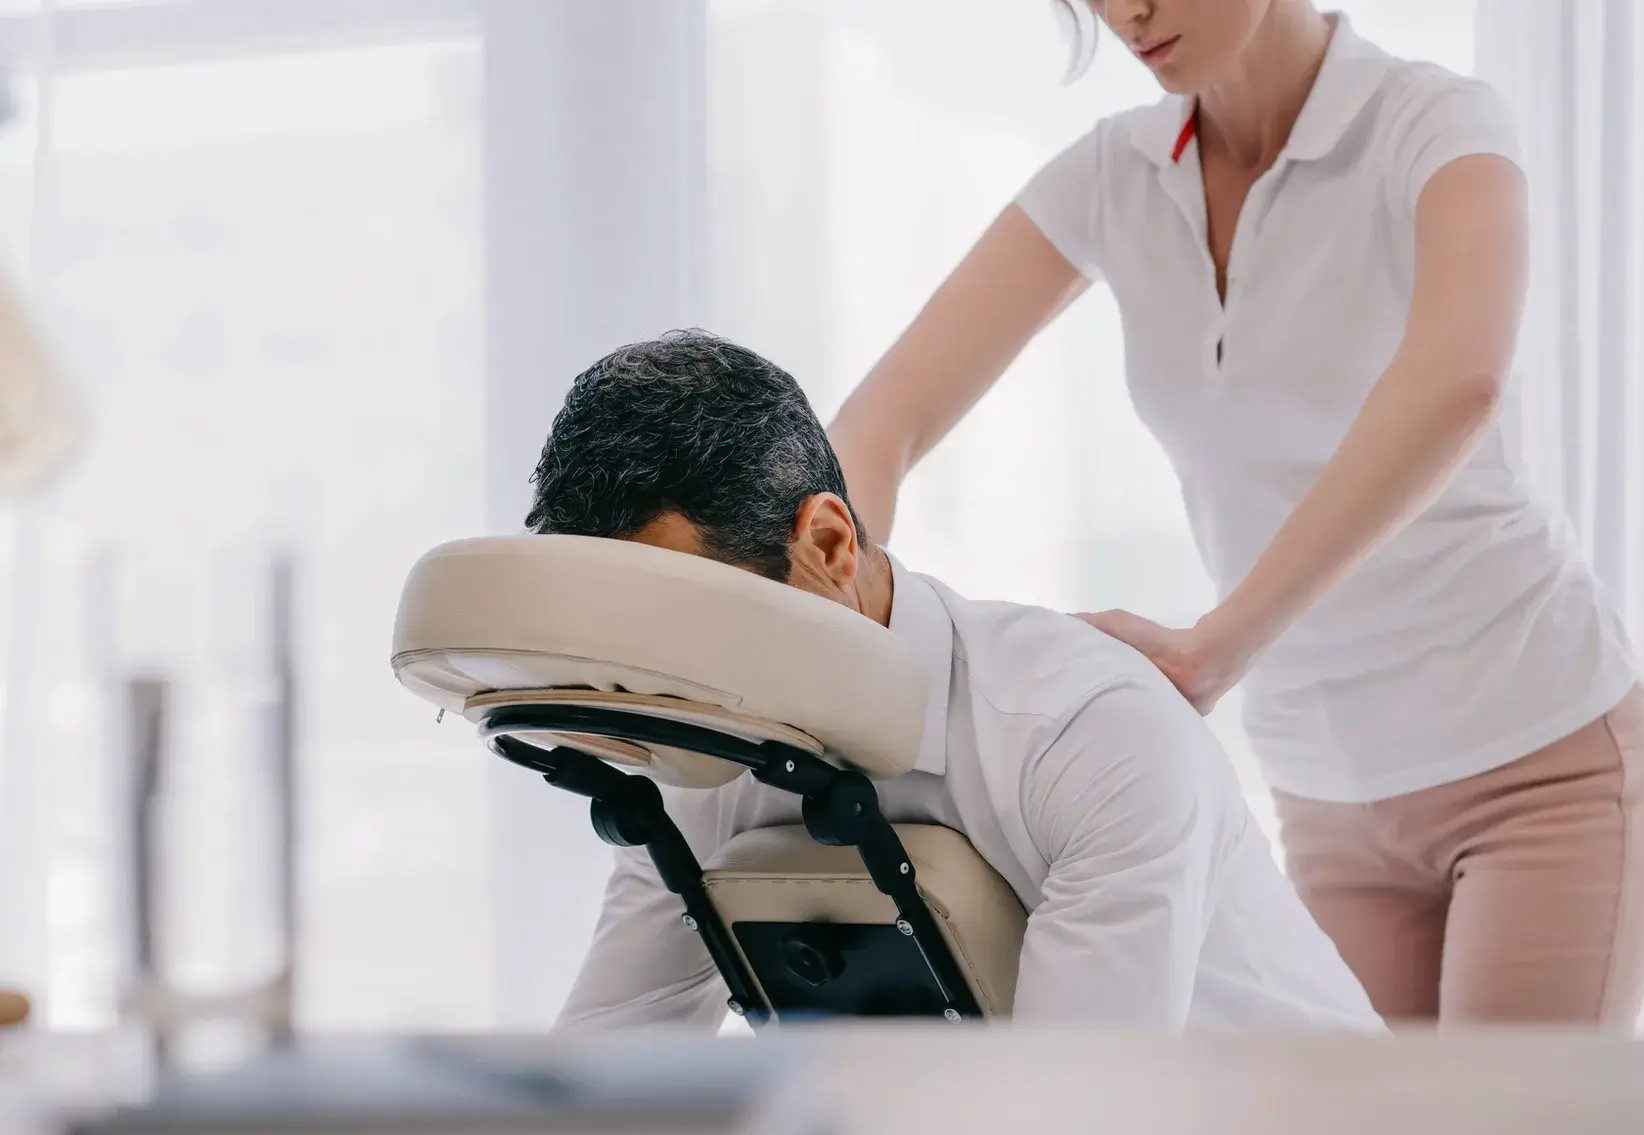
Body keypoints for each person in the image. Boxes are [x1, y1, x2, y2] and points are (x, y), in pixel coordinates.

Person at [826, 1, 1644, 1027]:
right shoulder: (1113, 177)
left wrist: (1215, 648)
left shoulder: (1435, 124)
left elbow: (1461, 382)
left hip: (1534, 755)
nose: (1126, 12)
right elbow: (881, 422)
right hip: (1325, 795)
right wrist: (834, 624)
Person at [529, 330, 1380, 1033]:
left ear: (828, 545)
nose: (664, 688)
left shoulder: (1088, 734)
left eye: (685, 624)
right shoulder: (704, 763)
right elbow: (602, 1082)